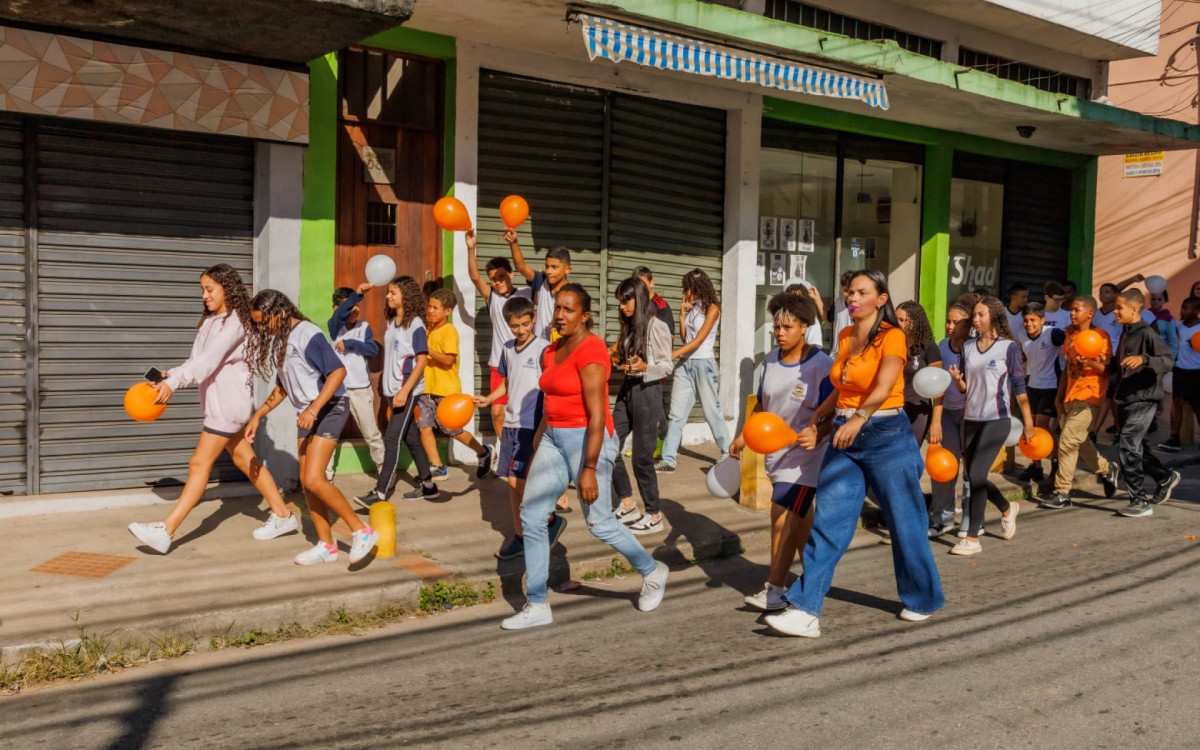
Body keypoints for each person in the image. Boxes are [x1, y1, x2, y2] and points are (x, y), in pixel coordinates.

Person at [764, 270, 944, 638]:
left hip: (885, 433)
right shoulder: (846, 334)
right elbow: (844, 384)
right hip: (845, 433)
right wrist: (821, 412)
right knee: (828, 522)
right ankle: (806, 609)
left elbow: (884, 385)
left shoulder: (892, 336)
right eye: (850, 292)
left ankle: (922, 598)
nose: (853, 298)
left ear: (881, 299)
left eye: (862, 292)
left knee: (905, 522)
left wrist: (859, 418)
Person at [500, 284, 668, 630]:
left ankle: (652, 571)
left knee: (599, 523)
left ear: (585, 316)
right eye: (557, 309)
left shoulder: (591, 349)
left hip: (588, 439)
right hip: (554, 437)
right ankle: (538, 603)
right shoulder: (552, 350)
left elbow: (597, 414)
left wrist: (588, 468)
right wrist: (541, 433)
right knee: (532, 515)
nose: (560, 315)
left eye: (568, 309)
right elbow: (551, 397)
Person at [128, 264, 298, 554]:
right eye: (202, 290)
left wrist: (176, 382)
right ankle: (283, 515)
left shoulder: (236, 323)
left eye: (209, 289)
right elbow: (198, 360)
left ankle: (166, 530)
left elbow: (209, 361)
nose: (204, 296)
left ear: (227, 289)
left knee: (198, 464)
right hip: (221, 406)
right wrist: (171, 376)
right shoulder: (210, 321)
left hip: (228, 407)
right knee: (245, 460)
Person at [243, 290, 379, 566]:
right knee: (307, 483)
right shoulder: (281, 341)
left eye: (263, 321)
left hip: (330, 407)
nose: (261, 328)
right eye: (257, 324)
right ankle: (326, 545)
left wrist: (314, 409)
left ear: (280, 313)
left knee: (315, 479)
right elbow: (283, 388)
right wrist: (258, 415)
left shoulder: (307, 333)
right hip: (308, 413)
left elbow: (338, 372)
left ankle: (361, 531)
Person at [730, 293, 832, 611]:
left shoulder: (821, 365)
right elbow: (762, 404)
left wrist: (819, 433)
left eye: (788, 326)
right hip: (775, 454)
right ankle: (815, 579)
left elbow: (835, 411)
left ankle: (775, 590)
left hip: (806, 457)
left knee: (781, 516)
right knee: (800, 521)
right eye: (776, 327)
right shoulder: (771, 360)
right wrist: (743, 436)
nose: (780, 332)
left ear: (804, 327)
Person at [474, 295, 565, 559]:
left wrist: (544, 426)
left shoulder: (543, 349)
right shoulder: (507, 349)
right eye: (515, 326)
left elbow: (551, 387)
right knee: (511, 482)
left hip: (530, 424)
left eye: (525, 324)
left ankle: (549, 518)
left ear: (533, 319)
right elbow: (507, 381)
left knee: (517, 479)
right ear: (508, 325)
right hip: (511, 423)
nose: (521, 330)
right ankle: (520, 535)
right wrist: (489, 399)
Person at [946, 296, 1033, 555]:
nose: (975, 319)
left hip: (997, 419)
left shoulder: (1008, 347)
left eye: (981, 314)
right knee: (975, 477)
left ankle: (972, 538)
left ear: (994, 316)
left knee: (976, 476)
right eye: (974, 315)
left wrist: (1028, 422)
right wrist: (957, 381)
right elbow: (965, 387)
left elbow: (1019, 386)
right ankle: (1007, 507)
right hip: (970, 419)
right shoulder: (968, 347)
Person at [354, 276, 436, 506]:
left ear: (406, 296)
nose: (388, 296)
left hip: (406, 391)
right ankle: (429, 486)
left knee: (392, 439)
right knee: (411, 438)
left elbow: (422, 360)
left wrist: (404, 391)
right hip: (393, 390)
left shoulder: (416, 324)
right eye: (388, 292)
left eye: (393, 292)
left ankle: (380, 492)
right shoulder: (393, 321)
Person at [1042, 296, 1120, 509]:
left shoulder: (1101, 336)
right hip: (1070, 395)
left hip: (1089, 396)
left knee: (1067, 440)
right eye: (1072, 310)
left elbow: (1106, 371)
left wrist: (1091, 362)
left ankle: (1062, 492)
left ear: (1090, 313)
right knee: (1080, 440)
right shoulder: (1070, 334)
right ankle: (1106, 470)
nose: (1072, 313)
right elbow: (1067, 369)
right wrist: (1059, 397)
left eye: (1077, 310)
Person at [610, 278, 674, 535]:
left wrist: (645, 367)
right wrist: (619, 361)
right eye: (620, 301)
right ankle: (627, 503)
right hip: (627, 390)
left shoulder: (656, 326)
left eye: (626, 300)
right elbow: (626, 358)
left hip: (647, 392)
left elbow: (666, 366)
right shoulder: (628, 326)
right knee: (607, 445)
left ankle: (654, 514)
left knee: (641, 459)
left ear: (639, 299)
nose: (622, 306)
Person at [1109, 290, 1180, 517]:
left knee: (1128, 445)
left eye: (1119, 307)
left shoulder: (1147, 332)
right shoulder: (1126, 333)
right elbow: (1120, 367)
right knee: (1135, 447)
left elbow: (1168, 360)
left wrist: (1144, 359)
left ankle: (1140, 501)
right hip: (1126, 397)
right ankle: (1164, 477)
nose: (1115, 311)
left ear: (1134, 309)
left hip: (1145, 398)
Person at [415, 287, 494, 481]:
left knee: (452, 430)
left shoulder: (449, 331)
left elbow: (449, 360)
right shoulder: (428, 330)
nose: (430, 310)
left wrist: (428, 350)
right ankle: (437, 466)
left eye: (435, 308)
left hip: (445, 390)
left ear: (448, 311)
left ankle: (483, 452)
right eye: (429, 306)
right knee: (424, 426)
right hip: (426, 389)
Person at [657, 268, 729, 474]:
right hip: (685, 365)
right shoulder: (694, 308)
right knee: (676, 414)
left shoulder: (713, 309)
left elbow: (698, 341)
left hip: (704, 365)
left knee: (711, 412)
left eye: (687, 288)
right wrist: (682, 316)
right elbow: (686, 338)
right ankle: (668, 459)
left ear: (697, 287)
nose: (685, 293)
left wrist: (673, 354)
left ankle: (727, 452)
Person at [465, 228, 533, 436]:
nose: (498, 281)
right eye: (494, 278)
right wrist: (471, 248)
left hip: (526, 362)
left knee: (526, 409)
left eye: (502, 276)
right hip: (499, 364)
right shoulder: (492, 296)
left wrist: (513, 243)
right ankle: (505, 448)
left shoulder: (528, 293)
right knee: (497, 411)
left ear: (511, 274)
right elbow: (475, 277)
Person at [325, 284, 385, 481]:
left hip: (360, 388)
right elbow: (341, 314)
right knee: (329, 434)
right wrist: (357, 295)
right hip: (337, 390)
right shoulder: (334, 326)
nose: (354, 310)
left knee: (371, 433)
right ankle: (325, 475)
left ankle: (384, 471)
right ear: (337, 309)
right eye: (349, 306)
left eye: (357, 306)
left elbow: (372, 350)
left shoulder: (364, 327)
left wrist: (351, 343)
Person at [928, 303, 970, 538]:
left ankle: (969, 519)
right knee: (943, 467)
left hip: (972, 415)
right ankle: (942, 520)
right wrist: (936, 421)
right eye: (948, 321)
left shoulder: (975, 348)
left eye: (956, 322)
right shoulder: (941, 347)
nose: (949, 326)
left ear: (968, 325)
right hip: (947, 415)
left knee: (971, 471)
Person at [1017, 302, 1066, 482]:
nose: (1029, 324)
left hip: (1051, 386)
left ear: (1042, 320)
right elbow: (1027, 354)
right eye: (1026, 320)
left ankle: (1056, 463)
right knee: (1030, 427)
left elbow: (1072, 339)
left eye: (1033, 320)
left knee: (1041, 426)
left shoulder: (1052, 334)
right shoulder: (1022, 335)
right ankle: (1036, 466)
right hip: (1032, 385)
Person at [508, 230, 571, 342]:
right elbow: (521, 267)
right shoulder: (542, 281)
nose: (549, 271)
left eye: (554, 267)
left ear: (567, 270)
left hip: (560, 347)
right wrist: (514, 243)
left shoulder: (572, 294)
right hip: (540, 347)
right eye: (547, 266)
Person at [896, 300, 942, 446]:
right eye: (897, 319)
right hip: (893, 409)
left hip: (918, 411)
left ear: (915, 322)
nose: (898, 324)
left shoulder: (929, 347)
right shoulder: (893, 344)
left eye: (903, 320)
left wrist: (936, 423)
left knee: (910, 453)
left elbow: (938, 389)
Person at [1160, 296, 1200, 452]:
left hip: (1197, 372)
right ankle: (1174, 438)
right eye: (1182, 307)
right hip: (1180, 371)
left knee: (1198, 407)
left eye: (1186, 308)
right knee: (1176, 404)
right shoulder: (1178, 327)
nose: (1182, 311)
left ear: (1196, 311)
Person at [635, 266, 674, 338]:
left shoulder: (661, 306)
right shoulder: (633, 304)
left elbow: (668, 336)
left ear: (651, 283)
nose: (640, 287)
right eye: (637, 284)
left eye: (643, 284)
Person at [785, 282, 824, 350]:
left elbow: (814, 348)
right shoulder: (783, 319)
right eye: (792, 299)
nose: (795, 302)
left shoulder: (811, 320)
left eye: (799, 299)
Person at [827, 270, 856, 358]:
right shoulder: (838, 302)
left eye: (851, 291)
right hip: (836, 354)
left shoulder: (857, 306)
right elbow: (829, 318)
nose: (847, 294)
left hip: (852, 354)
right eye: (845, 290)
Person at [1147, 290, 1179, 358]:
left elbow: (1172, 342)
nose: (1156, 302)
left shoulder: (1168, 319)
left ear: (1164, 300)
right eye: (1153, 299)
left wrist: (1171, 360)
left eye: (1159, 299)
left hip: (1161, 356)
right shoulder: (1144, 315)